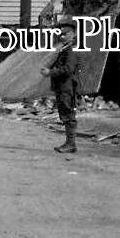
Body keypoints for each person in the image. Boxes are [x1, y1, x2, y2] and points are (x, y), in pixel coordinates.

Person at [41, 17, 79, 154]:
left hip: (66, 87)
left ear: (73, 34)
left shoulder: (71, 51)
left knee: (68, 114)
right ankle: (69, 143)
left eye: (65, 33)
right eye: (61, 34)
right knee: (65, 113)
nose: (62, 36)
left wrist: (50, 72)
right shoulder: (64, 50)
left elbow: (68, 69)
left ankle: (71, 144)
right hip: (62, 87)